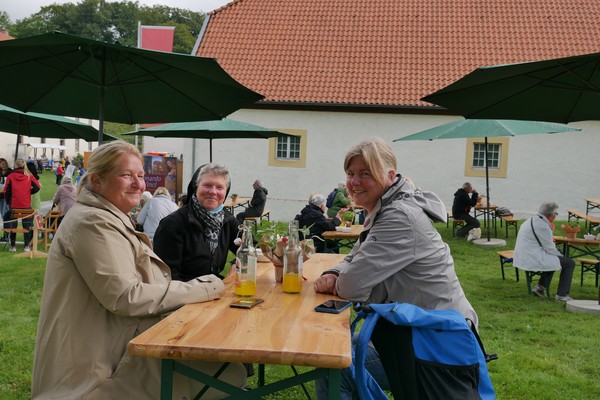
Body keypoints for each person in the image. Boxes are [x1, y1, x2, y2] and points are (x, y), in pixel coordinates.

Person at [31, 141, 246, 400]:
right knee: (227, 373)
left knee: (229, 368)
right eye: (126, 175)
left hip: (129, 342)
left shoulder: (110, 216)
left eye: (141, 176)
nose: (139, 184)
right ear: (97, 181)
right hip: (101, 367)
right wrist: (207, 286)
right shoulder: (92, 223)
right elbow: (125, 297)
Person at [313, 137, 478, 400]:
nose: (354, 182)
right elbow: (355, 255)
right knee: (340, 347)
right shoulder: (384, 208)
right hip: (412, 329)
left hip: (438, 344)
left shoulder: (399, 216)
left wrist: (339, 279)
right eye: (350, 173)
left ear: (389, 175)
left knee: (336, 364)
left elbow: (352, 286)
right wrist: (334, 272)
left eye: (365, 174)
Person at [154, 163, 241, 282]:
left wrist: (235, 264)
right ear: (196, 188)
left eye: (220, 187)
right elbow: (167, 277)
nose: (213, 192)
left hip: (214, 288)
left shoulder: (227, 220)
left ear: (226, 192)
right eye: (207, 185)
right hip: (184, 294)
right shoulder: (172, 224)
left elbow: (249, 247)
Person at [514, 202, 576, 301]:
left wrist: (558, 256)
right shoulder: (542, 225)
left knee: (555, 260)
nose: (556, 216)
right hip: (531, 257)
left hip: (524, 255)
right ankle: (562, 295)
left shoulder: (532, 220)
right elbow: (550, 248)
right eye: (556, 214)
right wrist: (561, 255)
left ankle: (539, 287)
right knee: (569, 263)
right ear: (550, 215)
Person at [3, 159, 41, 252]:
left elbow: (6, 190)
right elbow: (38, 186)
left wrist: (8, 202)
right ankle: (26, 245)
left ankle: (12, 246)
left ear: (15, 166)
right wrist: (29, 192)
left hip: (14, 205)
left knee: (12, 224)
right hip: (26, 205)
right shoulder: (29, 176)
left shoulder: (10, 176)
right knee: (27, 225)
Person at [0, 157, 13, 242]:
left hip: (6, 197)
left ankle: (7, 235)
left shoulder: (11, 173)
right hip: (0, 197)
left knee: (6, 216)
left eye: (5, 163)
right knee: (2, 215)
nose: (4, 165)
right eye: (2, 164)